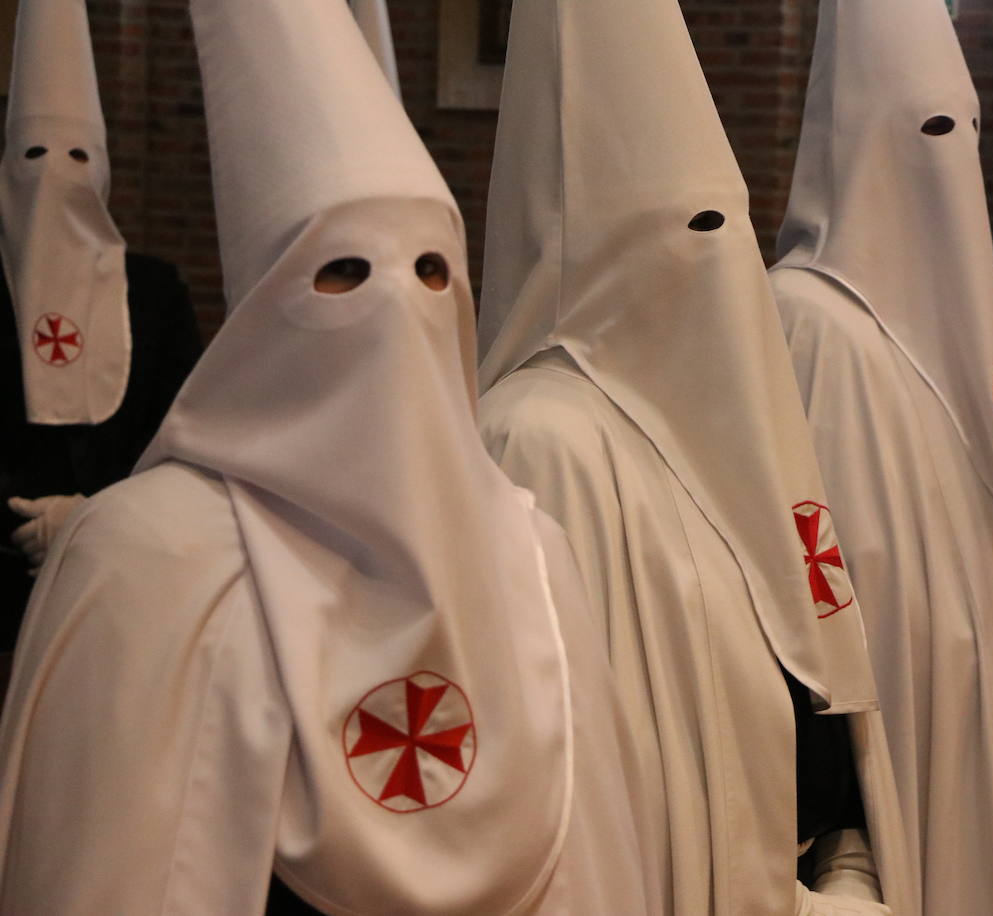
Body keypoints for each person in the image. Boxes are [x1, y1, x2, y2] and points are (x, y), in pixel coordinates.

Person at [0, 0, 654, 912]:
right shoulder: (145, 558)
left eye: (432, 272)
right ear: (264, 311)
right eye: (343, 273)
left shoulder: (536, 560)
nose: (396, 309)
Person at [476, 0, 913, 911]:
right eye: (688, 230)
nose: (721, 263)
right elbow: (587, 776)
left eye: (728, 226)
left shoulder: (725, 431)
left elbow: (806, 650)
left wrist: (847, 851)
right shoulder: (539, 438)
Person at [770, 0, 993, 911]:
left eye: (967, 130)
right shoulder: (805, 322)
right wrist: (839, 819)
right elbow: (797, 571)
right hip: (903, 731)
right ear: (857, 144)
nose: (954, 154)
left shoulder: (976, 325)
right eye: (930, 129)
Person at [0, 0, 200, 668]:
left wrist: (91, 522)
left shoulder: (153, 294)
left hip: (117, 580)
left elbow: (185, 439)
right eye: (34, 155)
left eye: (79, 155)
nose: (57, 173)